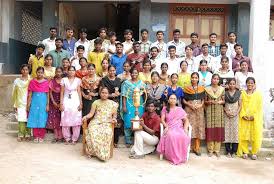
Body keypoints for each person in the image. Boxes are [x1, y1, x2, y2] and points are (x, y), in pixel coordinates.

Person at [82, 87, 118, 161]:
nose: (104, 94)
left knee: (106, 132)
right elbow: (91, 114)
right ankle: (92, 152)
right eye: (103, 93)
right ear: (100, 93)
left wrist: (114, 119)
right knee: (92, 130)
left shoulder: (113, 104)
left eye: (106, 93)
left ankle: (103, 154)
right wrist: (85, 116)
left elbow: (114, 115)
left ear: (108, 94)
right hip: (96, 121)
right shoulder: (96, 102)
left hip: (107, 122)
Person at [157, 94, 191, 165]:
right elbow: (162, 120)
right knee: (172, 136)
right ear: (168, 100)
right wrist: (166, 126)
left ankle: (181, 156)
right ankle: (173, 157)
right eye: (171, 98)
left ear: (176, 101)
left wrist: (185, 129)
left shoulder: (180, 109)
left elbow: (186, 120)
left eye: (174, 99)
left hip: (179, 128)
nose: (173, 100)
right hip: (170, 127)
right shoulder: (165, 109)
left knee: (184, 136)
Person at [237, 77, 263, 160]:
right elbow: (240, 105)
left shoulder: (258, 95)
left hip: (254, 119)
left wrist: (254, 116)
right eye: (248, 83)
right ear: (246, 84)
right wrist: (243, 115)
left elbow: (259, 107)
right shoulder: (242, 93)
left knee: (255, 134)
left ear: (254, 84)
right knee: (243, 134)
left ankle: (254, 152)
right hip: (244, 118)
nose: (250, 84)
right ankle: (245, 151)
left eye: (252, 83)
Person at [121, 68, 146, 147]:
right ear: (130, 73)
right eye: (133, 73)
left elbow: (145, 94)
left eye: (136, 73)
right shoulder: (126, 83)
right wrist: (124, 106)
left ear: (138, 74)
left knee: (138, 121)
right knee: (128, 121)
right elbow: (124, 95)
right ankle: (128, 141)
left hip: (140, 103)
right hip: (129, 103)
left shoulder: (142, 83)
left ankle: (137, 140)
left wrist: (144, 104)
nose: (134, 74)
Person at [183, 72, 205, 156]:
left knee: (198, 128)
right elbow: (184, 100)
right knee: (189, 127)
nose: (194, 79)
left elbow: (203, 100)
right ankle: (188, 146)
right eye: (192, 77)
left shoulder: (201, 88)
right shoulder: (186, 88)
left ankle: (197, 148)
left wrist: (200, 105)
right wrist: (190, 105)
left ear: (198, 79)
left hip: (199, 110)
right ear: (190, 78)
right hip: (189, 109)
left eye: (196, 78)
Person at [100, 65, 122, 147]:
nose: (112, 72)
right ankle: (106, 140)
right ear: (108, 71)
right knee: (106, 120)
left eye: (113, 70)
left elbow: (121, 92)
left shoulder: (119, 80)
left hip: (116, 103)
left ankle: (115, 141)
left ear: (115, 71)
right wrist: (110, 95)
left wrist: (118, 93)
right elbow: (101, 92)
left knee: (116, 121)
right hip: (106, 102)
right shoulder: (104, 80)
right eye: (110, 70)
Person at [60, 66, 82, 145]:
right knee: (65, 119)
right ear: (67, 71)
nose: (71, 72)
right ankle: (67, 138)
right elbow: (61, 92)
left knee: (76, 120)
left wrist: (81, 103)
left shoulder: (78, 80)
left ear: (75, 71)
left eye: (73, 70)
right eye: (70, 70)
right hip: (66, 101)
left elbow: (79, 92)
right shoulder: (64, 80)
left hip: (75, 101)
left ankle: (74, 138)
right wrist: (61, 103)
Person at [204, 74, 225, 157]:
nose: (215, 80)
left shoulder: (222, 89)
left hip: (219, 110)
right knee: (210, 129)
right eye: (214, 78)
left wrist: (221, 102)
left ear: (218, 80)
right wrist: (209, 102)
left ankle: (217, 150)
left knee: (218, 129)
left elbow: (224, 100)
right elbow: (205, 101)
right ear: (211, 79)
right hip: (209, 110)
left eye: (217, 79)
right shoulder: (207, 89)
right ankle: (210, 150)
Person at [27, 67, 49, 143]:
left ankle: (41, 136)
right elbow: (30, 94)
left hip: (43, 101)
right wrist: (28, 104)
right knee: (34, 117)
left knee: (42, 118)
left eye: (41, 72)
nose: (40, 74)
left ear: (43, 73)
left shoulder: (46, 82)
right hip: (34, 101)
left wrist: (47, 105)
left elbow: (47, 94)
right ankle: (36, 136)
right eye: (38, 72)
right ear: (36, 72)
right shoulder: (32, 82)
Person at [12, 64, 31, 142]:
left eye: (26, 70)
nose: (25, 71)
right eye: (23, 69)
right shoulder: (17, 81)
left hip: (29, 102)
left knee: (28, 119)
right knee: (21, 119)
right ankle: (20, 134)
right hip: (20, 103)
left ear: (28, 71)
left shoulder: (31, 80)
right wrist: (14, 104)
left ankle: (28, 134)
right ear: (21, 70)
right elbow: (14, 93)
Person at [224, 78, 241, 157]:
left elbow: (240, 105)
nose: (232, 85)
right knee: (227, 132)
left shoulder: (239, 93)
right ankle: (228, 151)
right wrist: (226, 112)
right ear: (228, 84)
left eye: (233, 84)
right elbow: (223, 104)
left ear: (235, 84)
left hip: (235, 115)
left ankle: (234, 151)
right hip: (226, 114)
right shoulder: (225, 93)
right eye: (230, 84)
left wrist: (236, 113)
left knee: (235, 132)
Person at [47, 67, 63, 143]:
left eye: (60, 72)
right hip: (53, 102)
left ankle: (61, 136)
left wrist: (61, 103)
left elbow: (64, 92)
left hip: (61, 102)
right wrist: (53, 101)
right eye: (57, 71)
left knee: (61, 119)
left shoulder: (64, 81)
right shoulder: (52, 81)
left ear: (62, 72)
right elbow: (50, 92)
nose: (58, 73)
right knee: (54, 119)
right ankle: (56, 136)